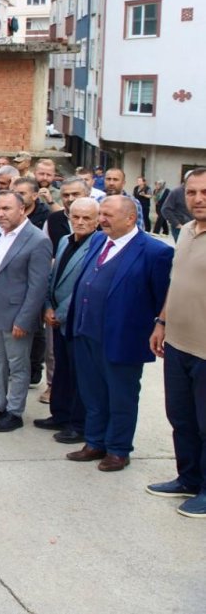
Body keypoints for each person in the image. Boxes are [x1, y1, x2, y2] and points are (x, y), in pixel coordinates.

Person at [62, 196, 172, 472]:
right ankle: (95, 441)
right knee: (92, 393)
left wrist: (159, 326)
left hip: (123, 338)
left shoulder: (154, 251)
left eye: (108, 215)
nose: (102, 220)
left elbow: (162, 297)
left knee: (121, 396)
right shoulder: (99, 240)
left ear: (130, 218)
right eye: (101, 214)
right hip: (85, 331)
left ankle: (118, 449)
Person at [0, 192, 52, 432]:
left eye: (6, 208)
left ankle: (14, 412)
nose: (0, 213)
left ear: (22, 209)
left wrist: (24, 320)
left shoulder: (37, 240)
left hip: (17, 315)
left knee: (18, 366)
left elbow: (38, 287)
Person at [151, 168, 206, 517]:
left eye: (205, 192)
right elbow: (176, 282)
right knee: (180, 417)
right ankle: (188, 478)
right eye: (192, 192)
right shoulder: (185, 231)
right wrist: (162, 322)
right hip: (178, 344)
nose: (198, 199)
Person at [38, 198, 99, 445]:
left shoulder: (98, 245)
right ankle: (60, 414)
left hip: (77, 319)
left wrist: (60, 313)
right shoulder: (64, 240)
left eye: (86, 218)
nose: (80, 222)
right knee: (61, 370)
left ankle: (77, 424)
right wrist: (47, 306)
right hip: (56, 316)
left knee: (78, 374)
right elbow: (53, 276)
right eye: (76, 217)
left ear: (97, 220)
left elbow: (85, 286)